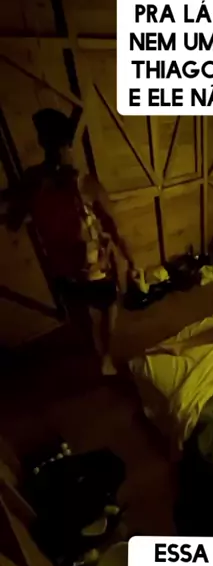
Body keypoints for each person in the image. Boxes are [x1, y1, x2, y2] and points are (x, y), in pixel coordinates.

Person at [7, 108, 136, 375]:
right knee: (108, 307)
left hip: (64, 269)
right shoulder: (84, 183)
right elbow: (115, 227)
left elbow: (13, 221)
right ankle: (105, 358)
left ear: (41, 142)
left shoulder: (32, 182)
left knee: (83, 313)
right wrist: (133, 262)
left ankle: (96, 353)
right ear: (68, 144)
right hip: (91, 268)